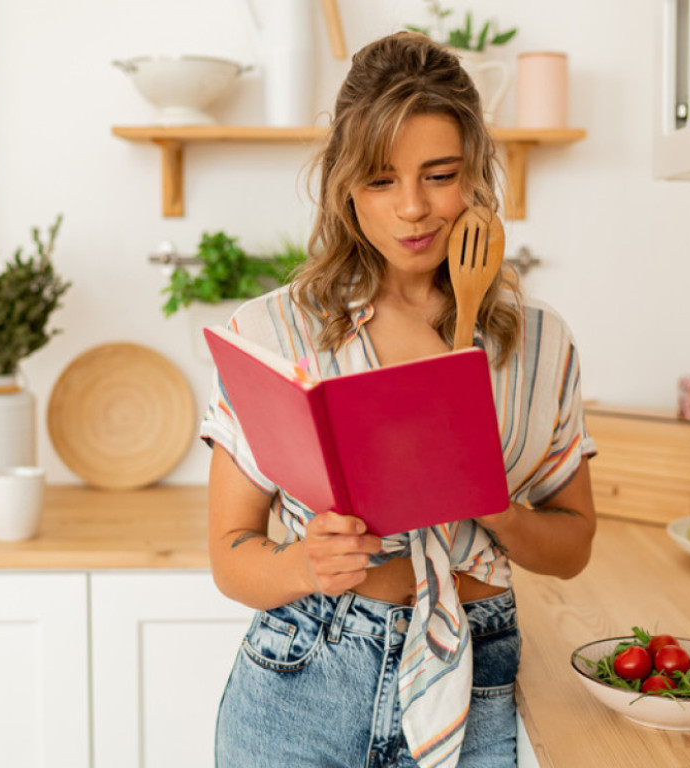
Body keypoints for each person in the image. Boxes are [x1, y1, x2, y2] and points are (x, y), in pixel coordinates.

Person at [199, 31, 597, 768]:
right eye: (381, 180)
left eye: (439, 175)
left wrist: (495, 505)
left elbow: (573, 545)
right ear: (345, 188)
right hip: (303, 678)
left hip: (478, 679)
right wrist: (303, 567)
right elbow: (231, 553)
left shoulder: (541, 344)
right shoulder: (271, 331)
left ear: (476, 175)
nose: (413, 209)